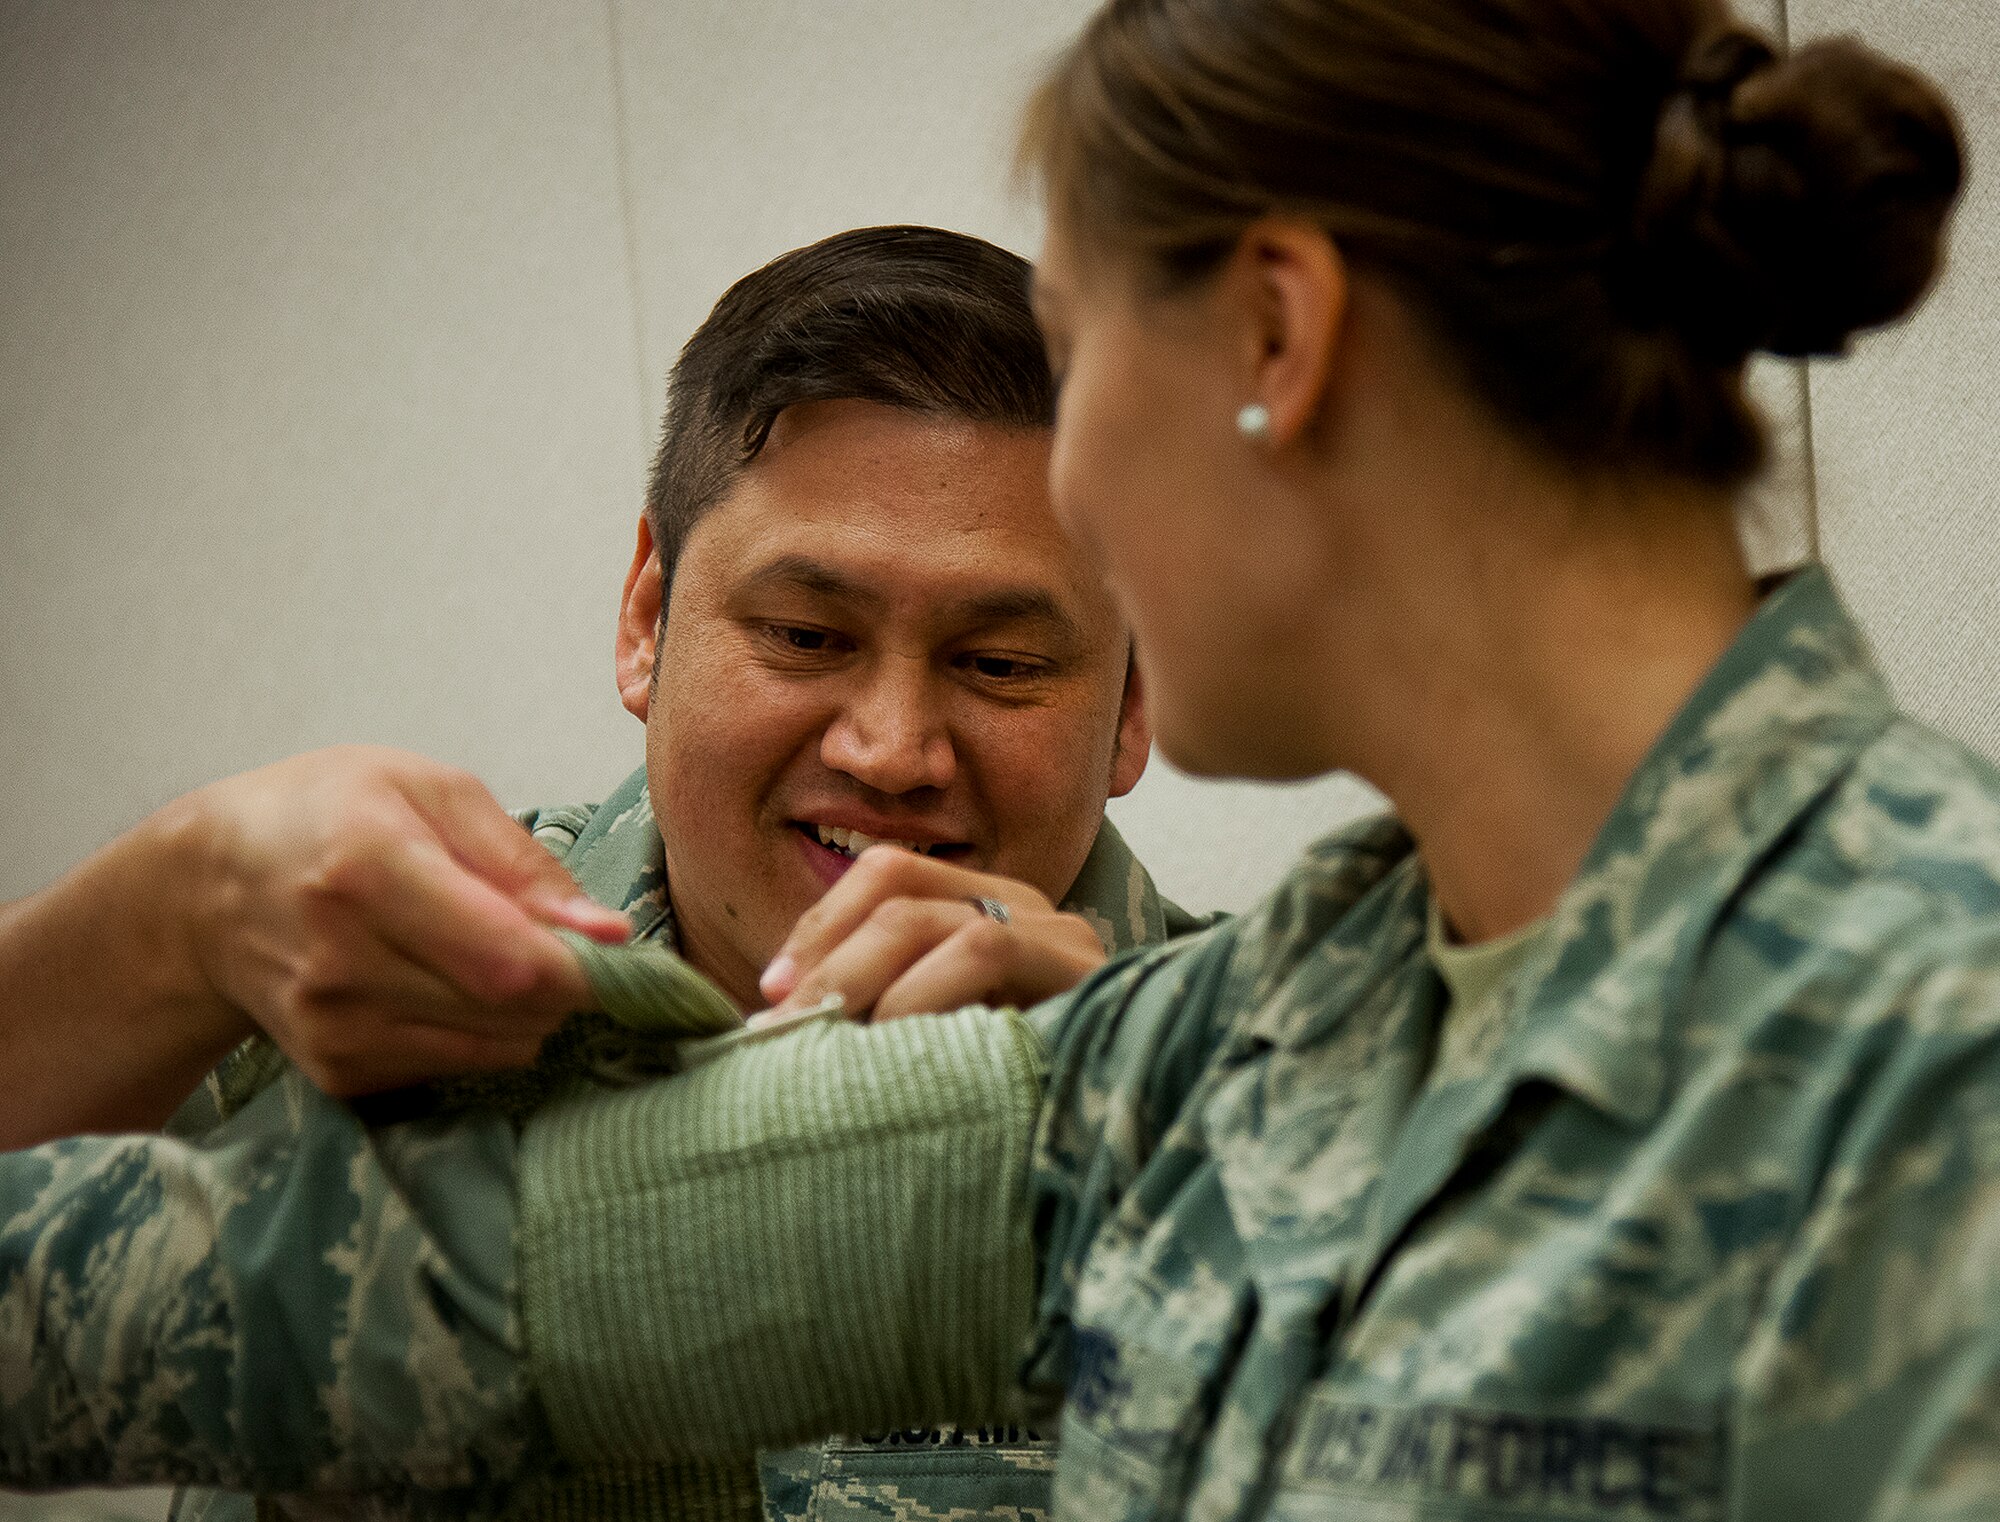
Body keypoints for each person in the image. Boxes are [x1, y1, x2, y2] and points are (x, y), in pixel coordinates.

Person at [4, 1, 1993, 1519]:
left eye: (1077, 333)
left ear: (1274, 340)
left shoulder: (1930, 1049)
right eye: (803, 627)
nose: (1076, 476)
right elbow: (322, 1296)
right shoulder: (1236, 1038)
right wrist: (177, 904)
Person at [0, 226, 1202, 1522]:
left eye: (1002, 662)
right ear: (647, 619)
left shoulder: (1262, 1084)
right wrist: (169, 916)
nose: (893, 749)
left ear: (1132, 703)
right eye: (805, 634)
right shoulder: (352, 961)